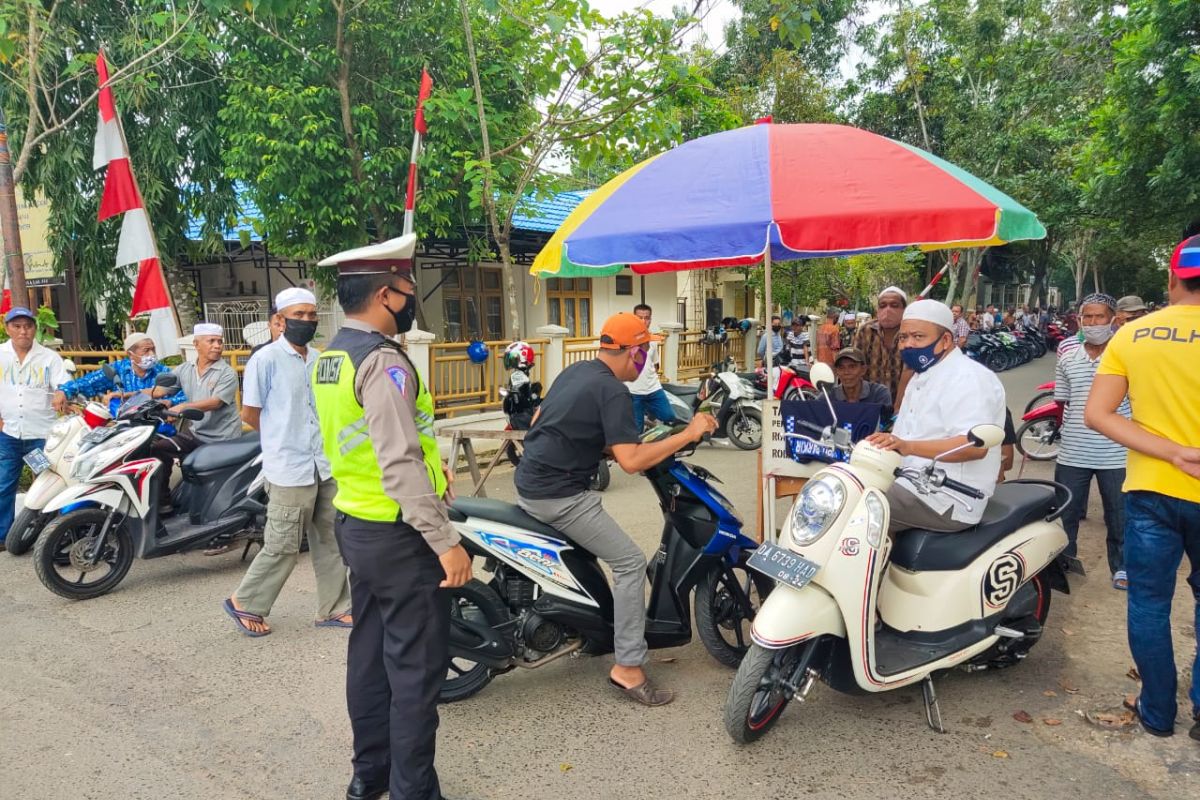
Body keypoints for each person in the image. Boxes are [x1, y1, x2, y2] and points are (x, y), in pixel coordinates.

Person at [309, 235, 468, 800]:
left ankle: (368, 779)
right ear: (385, 294)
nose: (410, 300)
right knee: (416, 673)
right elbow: (398, 460)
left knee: (371, 659)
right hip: (400, 536)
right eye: (406, 290)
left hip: (355, 523)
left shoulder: (330, 356)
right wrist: (444, 539)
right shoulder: (382, 362)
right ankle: (413, 792)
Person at [515, 312, 719, 707]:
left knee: (596, 554)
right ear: (633, 352)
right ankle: (627, 667)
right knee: (628, 561)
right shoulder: (613, 391)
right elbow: (630, 461)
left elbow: (545, 420)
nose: (649, 360)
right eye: (647, 351)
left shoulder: (576, 373)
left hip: (533, 483)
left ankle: (594, 633)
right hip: (558, 495)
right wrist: (691, 433)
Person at [1085, 234, 1200, 742]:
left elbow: (1098, 415)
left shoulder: (1133, 336)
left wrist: (1171, 452)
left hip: (1151, 490)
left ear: (1172, 279)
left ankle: (1157, 712)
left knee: (1149, 603)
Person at [223, 287, 352, 639]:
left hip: (323, 465)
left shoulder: (320, 358)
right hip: (288, 467)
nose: (306, 321)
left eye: (311, 315)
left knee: (331, 539)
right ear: (279, 321)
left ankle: (335, 608)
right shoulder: (264, 360)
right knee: (282, 543)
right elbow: (250, 413)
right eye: (299, 315)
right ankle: (245, 601)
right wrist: (280, 437)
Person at [865, 299, 1005, 534]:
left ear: (946, 340)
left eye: (918, 337)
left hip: (948, 497)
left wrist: (907, 447)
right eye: (903, 337)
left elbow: (974, 447)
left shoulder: (968, 378)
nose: (908, 344)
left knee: (858, 509)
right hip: (910, 483)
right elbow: (904, 437)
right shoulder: (921, 377)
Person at [1054, 294, 1130, 588]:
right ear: (1080, 320)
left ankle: (1122, 566)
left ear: (1112, 319)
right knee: (1066, 512)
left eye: (1099, 317)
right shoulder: (1068, 357)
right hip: (1073, 451)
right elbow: (1063, 402)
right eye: (1088, 317)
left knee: (1119, 514)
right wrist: (1064, 431)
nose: (1094, 323)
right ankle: (1063, 560)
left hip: (1116, 452)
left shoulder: (1126, 356)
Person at [151, 323, 243, 512]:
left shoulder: (226, 373)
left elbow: (215, 402)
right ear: (197, 344)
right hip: (196, 434)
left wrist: (183, 406)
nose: (217, 345)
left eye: (219, 341)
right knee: (158, 449)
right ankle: (163, 504)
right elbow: (160, 390)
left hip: (222, 438)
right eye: (211, 341)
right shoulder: (185, 369)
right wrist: (126, 396)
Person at [0, 307, 68, 548]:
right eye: (17, 326)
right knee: (4, 483)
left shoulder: (49, 358)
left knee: (47, 483)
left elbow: (64, 383)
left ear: (35, 329)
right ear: (7, 328)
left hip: (39, 436)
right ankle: (3, 536)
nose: (23, 331)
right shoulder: (1, 355)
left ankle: (51, 536)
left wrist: (61, 391)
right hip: (9, 435)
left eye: (27, 326)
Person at [53, 332, 185, 411]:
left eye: (153, 350)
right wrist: (63, 391)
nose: (151, 354)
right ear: (131, 354)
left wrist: (171, 403)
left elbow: (183, 395)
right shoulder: (118, 369)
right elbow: (88, 382)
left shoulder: (162, 372)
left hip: (157, 427)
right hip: (123, 426)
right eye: (146, 350)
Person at [854, 286, 907, 404]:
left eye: (894, 305)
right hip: (869, 403)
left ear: (904, 310)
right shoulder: (865, 330)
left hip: (903, 405)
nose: (887, 310)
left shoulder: (912, 333)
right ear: (877, 310)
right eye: (883, 306)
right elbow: (856, 367)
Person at [625, 303, 675, 429]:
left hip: (653, 389)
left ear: (650, 320)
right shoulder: (625, 339)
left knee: (668, 416)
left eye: (646, 318)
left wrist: (654, 379)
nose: (643, 321)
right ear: (633, 318)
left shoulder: (652, 340)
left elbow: (654, 363)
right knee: (637, 430)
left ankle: (649, 415)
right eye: (639, 318)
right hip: (633, 392)